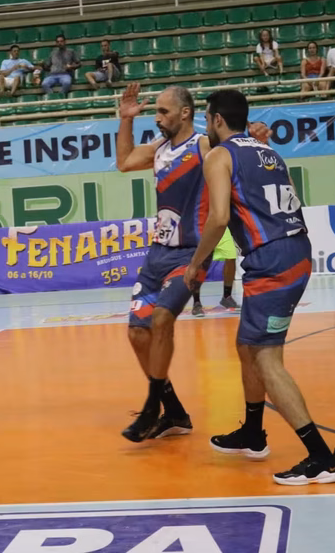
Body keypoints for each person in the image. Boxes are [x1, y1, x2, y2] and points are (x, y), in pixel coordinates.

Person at [183, 89, 335, 485]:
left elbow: (219, 218)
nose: (206, 125)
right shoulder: (269, 151)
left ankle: (322, 457)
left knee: (266, 358)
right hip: (295, 248)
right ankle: (253, 433)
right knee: (247, 347)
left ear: (218, 119)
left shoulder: (219, 156)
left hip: (272, 261)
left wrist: (196, 263)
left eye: (207, 118)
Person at [115, 82, 269, 442]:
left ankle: (152, 407)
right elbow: (124, 162)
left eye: (163, 111)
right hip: (157, 253)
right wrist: (126, 119)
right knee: (137, 333)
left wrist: (257, 138)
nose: (157, 118)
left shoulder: (203, 145)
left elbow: (236, 149)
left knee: (161, 318)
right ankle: (175, 412)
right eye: (155, 111)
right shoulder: (158, 149)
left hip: (189, 253)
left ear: (185, 113)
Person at [190, 229, 239, 317]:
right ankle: (196, 303)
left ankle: (227, 297)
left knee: (231, 256)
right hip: (202, 228)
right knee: (200, 262)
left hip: (221, 228)